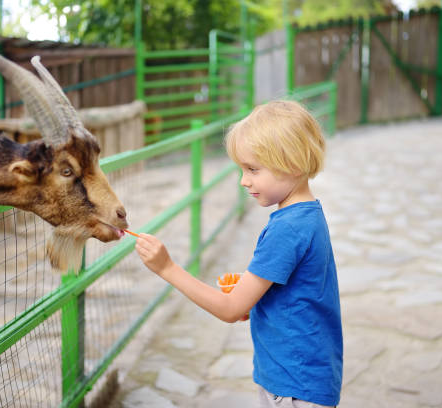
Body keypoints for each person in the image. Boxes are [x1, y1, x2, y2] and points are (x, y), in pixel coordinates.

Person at [133, 100, 342, 408]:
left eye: (253, 169)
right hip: (308, 374)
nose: (244, 180)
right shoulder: (307, 215)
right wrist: (252, 298)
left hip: (293, 385)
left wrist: (167, 268)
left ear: (293, 164)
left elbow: (231, 310)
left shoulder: (287, 229)